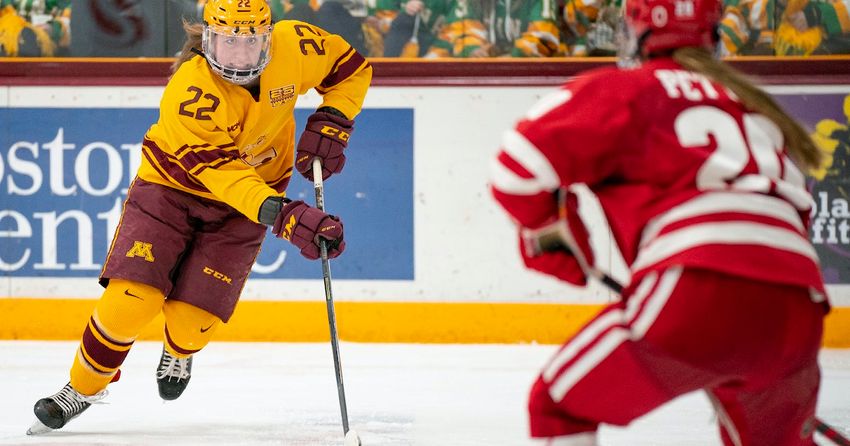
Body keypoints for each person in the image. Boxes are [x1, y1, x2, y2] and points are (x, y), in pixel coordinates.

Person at [489, 0, 830, 443]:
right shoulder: (754, 111)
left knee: (559, 406)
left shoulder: (628, 89)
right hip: (797, 312)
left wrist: (557, 241)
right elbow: (786, 222)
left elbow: (516, 166)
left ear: (639, 33)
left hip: (693, 290)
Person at [28, 0, 371, 434]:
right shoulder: (192, 91)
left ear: (269, 36)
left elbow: (352, 70)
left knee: (194, 326)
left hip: (248, 201)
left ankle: (180, 350)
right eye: (228, 42)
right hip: (170, 191)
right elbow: (224, 177)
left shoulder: (297, 45)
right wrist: (284, 217)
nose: (240, 55)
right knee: (129, 303)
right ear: (208, 39)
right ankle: (80, 388)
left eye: (251, 42)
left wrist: (333, 120)